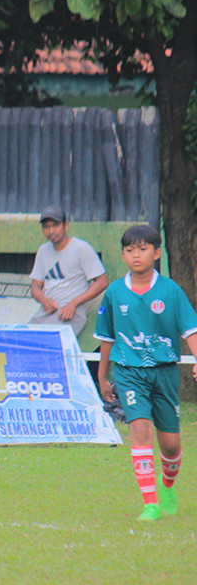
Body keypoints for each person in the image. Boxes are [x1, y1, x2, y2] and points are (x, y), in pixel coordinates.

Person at [94, 224, 197, 522]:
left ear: (156, 253)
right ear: (123, 255)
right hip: (129, 372)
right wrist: (102, 376)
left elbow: (190, 330)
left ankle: (168, 485)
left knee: (171, 445)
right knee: (140, 431)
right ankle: (150, 504)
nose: (136, 255)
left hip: (164, 373)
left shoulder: (171, 291)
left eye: (142, 249)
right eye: (129, 250)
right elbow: (106, 338)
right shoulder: (115, 292)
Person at [29, 205, 109, 336]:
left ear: (65, 226)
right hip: (46, 312)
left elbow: (102, 282)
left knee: (45, 340)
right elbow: (35, 286)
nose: (51, 231)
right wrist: (44, 300)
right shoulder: (43, 250)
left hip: (71, 314)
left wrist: (73, 304)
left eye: (55, 225)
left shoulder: (81, 248)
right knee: (23, 339)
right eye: (46, 227)